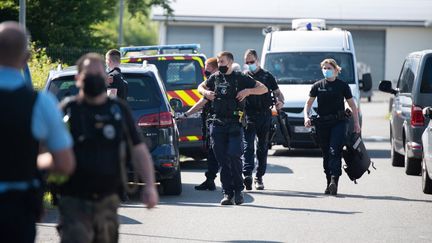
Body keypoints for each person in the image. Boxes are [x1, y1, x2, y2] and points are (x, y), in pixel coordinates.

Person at [57, 53, 158, 243]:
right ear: (78, 78)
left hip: (108, 199)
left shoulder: (119, 110)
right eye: (89, 74)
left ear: (107, 78)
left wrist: (150, 186)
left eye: (99, 74)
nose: (94, 78)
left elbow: (138, 149)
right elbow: (45, 150)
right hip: (74, 198)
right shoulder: (67, 110)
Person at [0, 21, 76, 243]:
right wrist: (33, 160)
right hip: (16, 211)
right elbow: (65, 163)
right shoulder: (40, 104)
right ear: (27, 58)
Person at [198, 51, 268, 205]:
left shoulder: (240, 78)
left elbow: (263, 88)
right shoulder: (215, 77)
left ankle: (238, 190)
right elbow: (200, 86)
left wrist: (248, 91)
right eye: (218, 61)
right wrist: (206, 92)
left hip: (235, 124)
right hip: (217, 123)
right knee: (222, 160)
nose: (220, 64)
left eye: (222, 61)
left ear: (230, 62)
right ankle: (227, 194)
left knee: (234, 156)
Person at [304, 58, 361, 196]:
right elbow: (308, 104)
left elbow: (352, 105)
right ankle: (328, 181)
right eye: (324, 68)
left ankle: (335, 181)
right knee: (326, 154)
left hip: (338, 123)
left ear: (336, 70)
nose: (326, 70)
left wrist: (356, 123)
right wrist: (306, 117)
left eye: (329, 68)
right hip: (322, 124)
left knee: (335, 150)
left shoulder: (342, 86)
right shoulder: (317, 86)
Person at [242, 49, 284, 190]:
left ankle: (259, 177)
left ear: (257, 60)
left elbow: (279, 94)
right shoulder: (243, 76)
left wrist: (280, 102)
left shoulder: (267, 76)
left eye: (251, 61)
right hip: (248, 115)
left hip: (265, 115)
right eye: (247, 62)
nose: (249, 64)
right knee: (248, 146)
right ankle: (247, 174)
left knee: (262, 147)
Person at [179, 57, 219, 190]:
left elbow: (202, 102)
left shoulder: (217, 82)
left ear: (214, 68)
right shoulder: (211, 82)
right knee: (213, 153)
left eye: (207, 67)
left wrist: (186, 114)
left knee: (218, 154)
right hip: (211, 123)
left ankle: (228, 183)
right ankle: (210, 180)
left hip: (219, 124)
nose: (204, 70)